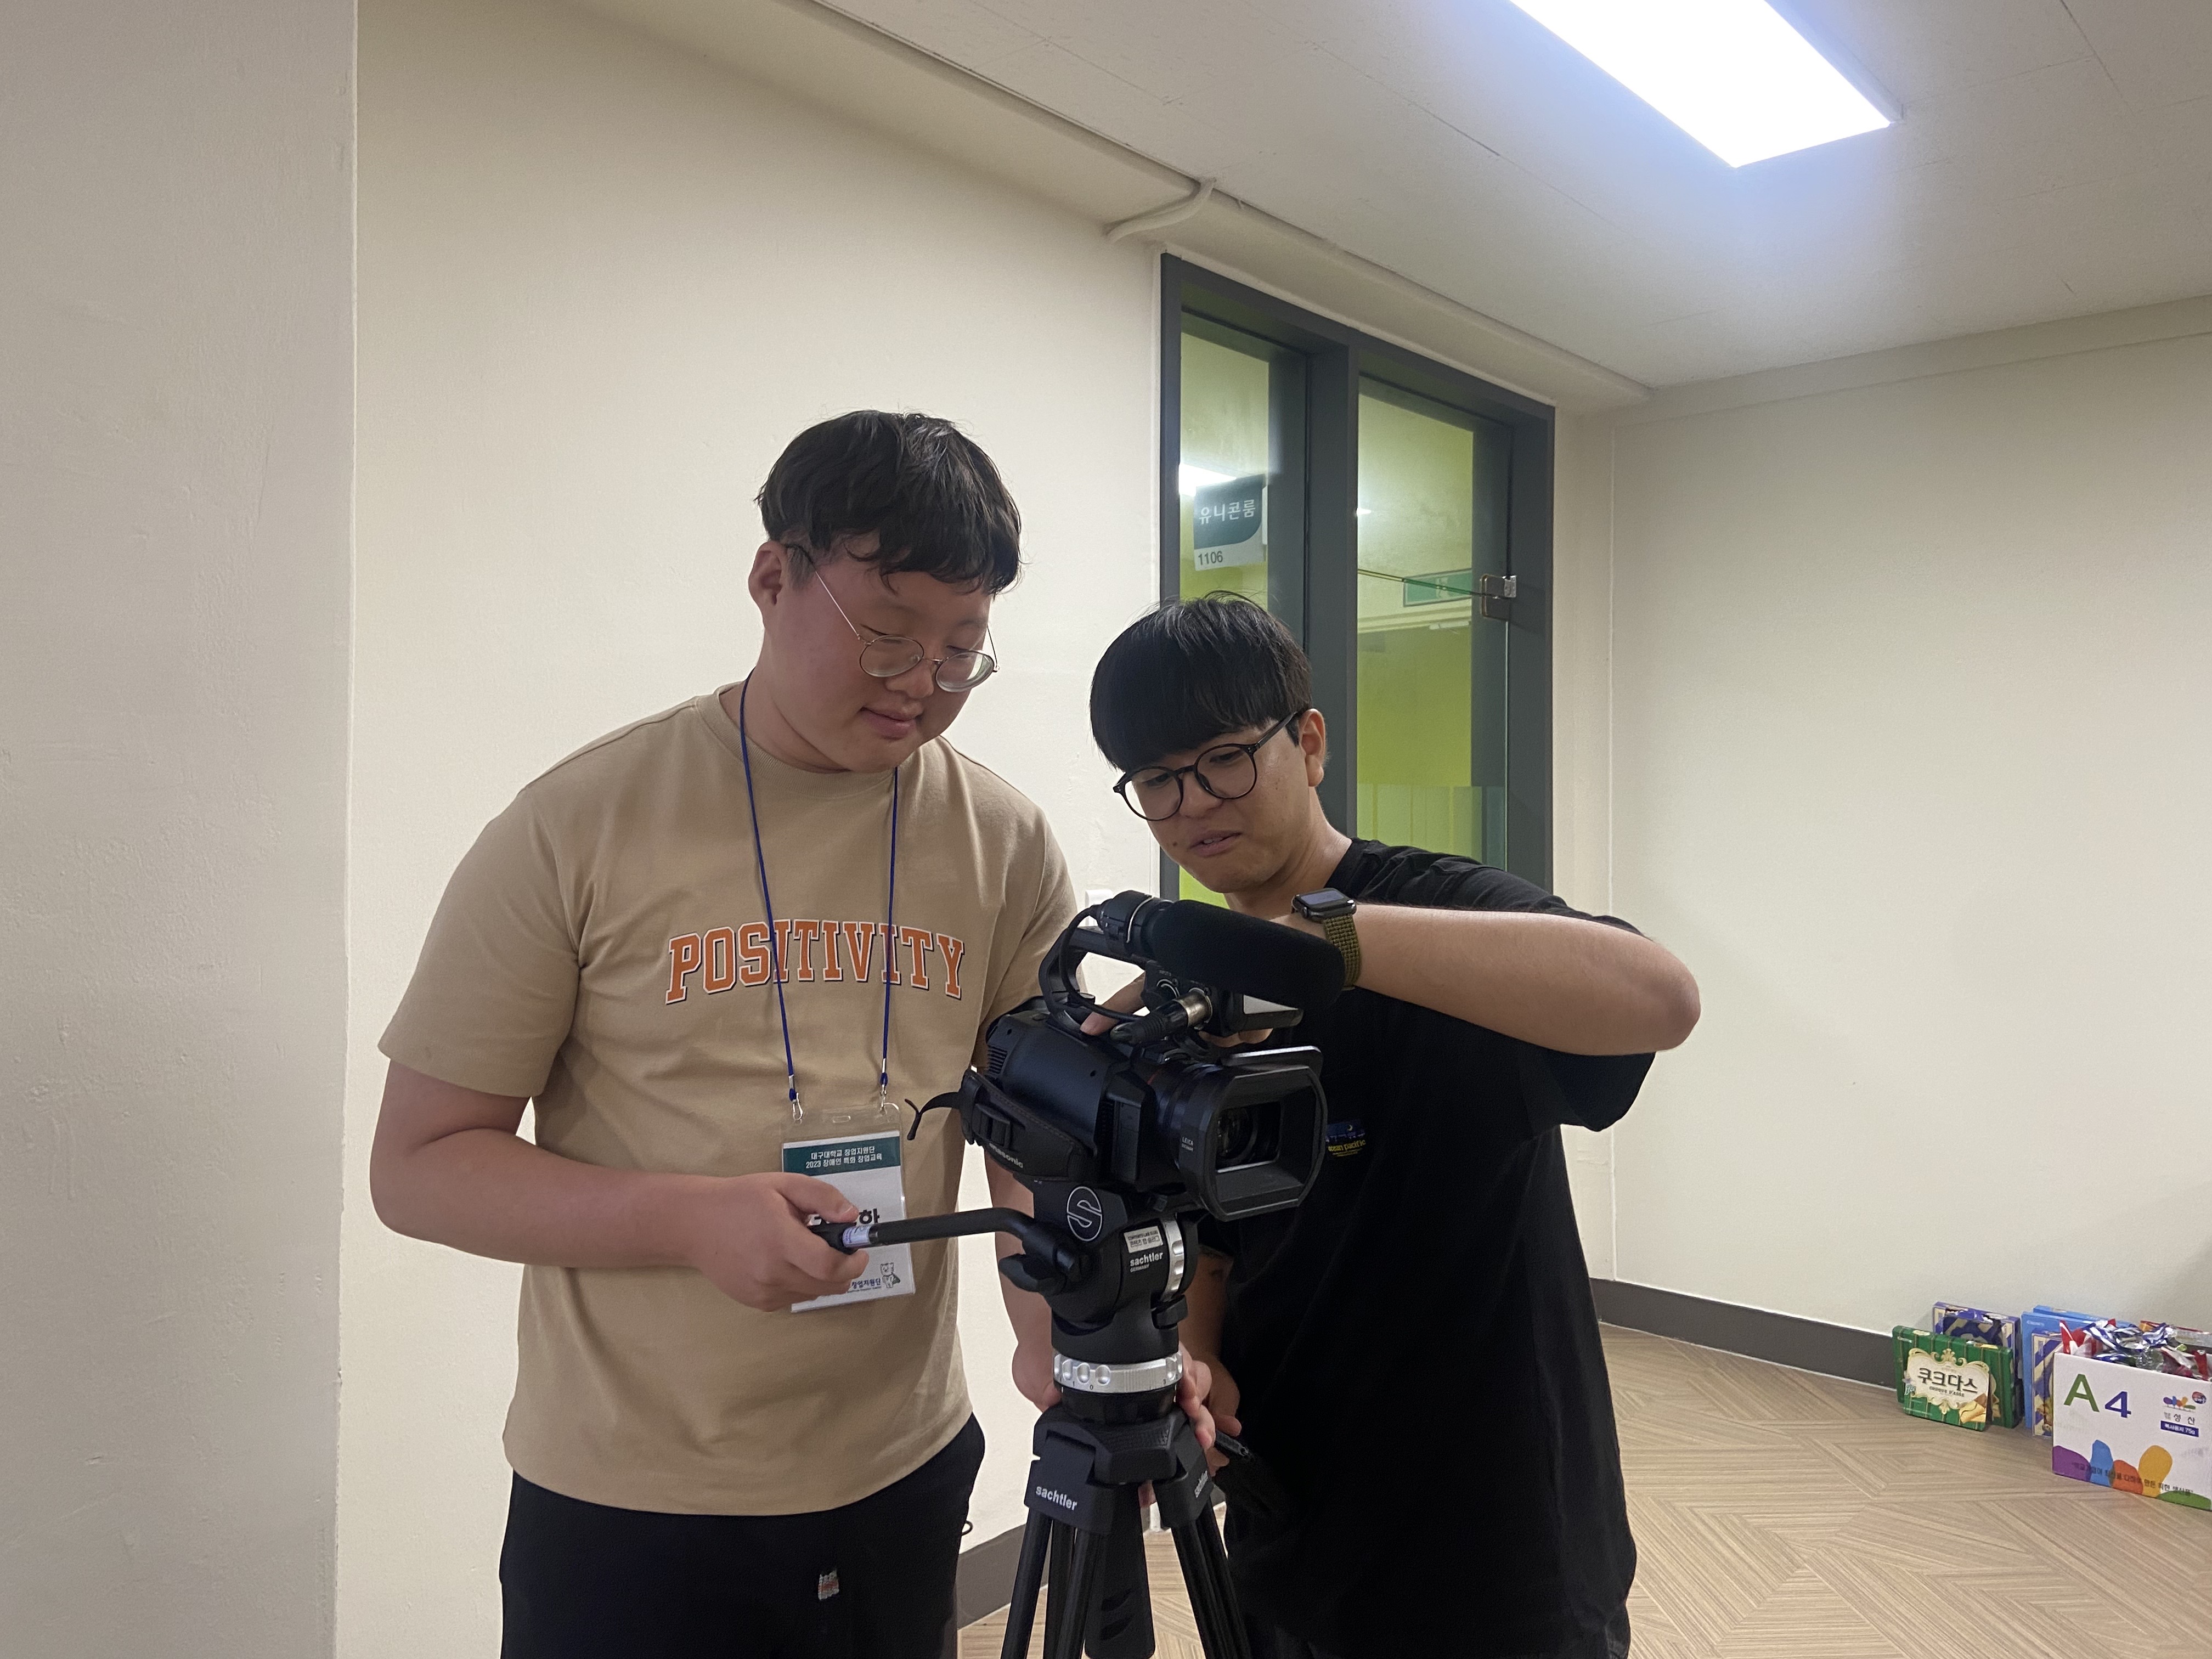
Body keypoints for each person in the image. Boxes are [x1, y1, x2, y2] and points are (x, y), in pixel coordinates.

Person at [370, 411, 1220, 1658]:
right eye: (888, 634)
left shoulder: (998, 839)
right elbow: (420, 1165)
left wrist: (1069, 1348)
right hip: (633, 1496)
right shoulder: (579, 824)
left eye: (962, 650)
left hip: (901, 1468)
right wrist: (687, 1219)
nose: (922, 682)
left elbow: (1034, 1128)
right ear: (773, 577)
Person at [1086, 594, 1701, 1659]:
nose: (1193, 805)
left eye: (1225, 760)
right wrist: (1197, 1351)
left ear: (1309, 743)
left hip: (1498, 1539)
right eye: (1157, 780)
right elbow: (1217, 1236)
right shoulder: (1195, 994)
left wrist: (1324, 942)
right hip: (1292, 1523)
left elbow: (1661, 998)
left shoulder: (1429, 912)